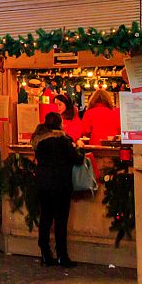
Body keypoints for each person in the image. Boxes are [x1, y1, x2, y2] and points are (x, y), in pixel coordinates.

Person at [33, 112, 83, 267]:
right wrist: (80, 148)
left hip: (43, 184)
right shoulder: (63, 140)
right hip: (61, 185)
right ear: (60, 123)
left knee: (45, 219)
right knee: (61, 221)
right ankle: (62, 255)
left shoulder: (39, 142)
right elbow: (77, 159)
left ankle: (45, 254)